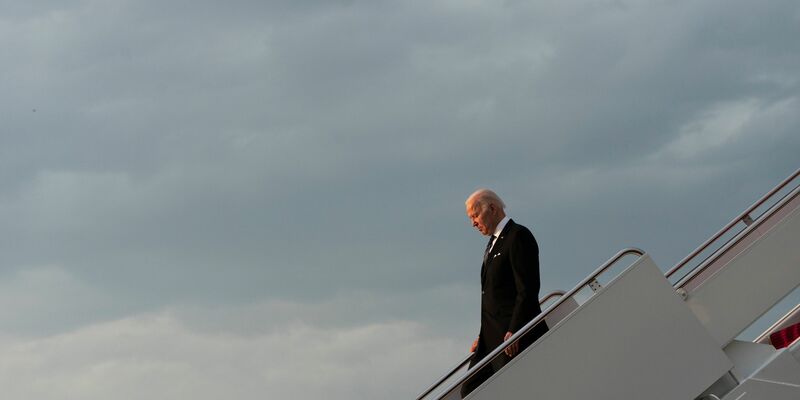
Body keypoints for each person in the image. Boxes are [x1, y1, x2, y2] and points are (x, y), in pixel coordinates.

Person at [460, 189, 548, 398]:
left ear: (492, 208)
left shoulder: (518, 236)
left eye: (475, 215)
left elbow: (527, 288)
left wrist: (516, 329)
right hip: (490, 340)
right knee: (469, 390)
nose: (473, 223)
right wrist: (483, 334)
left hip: (511, 338)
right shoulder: (492, 243)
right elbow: (494, 296)